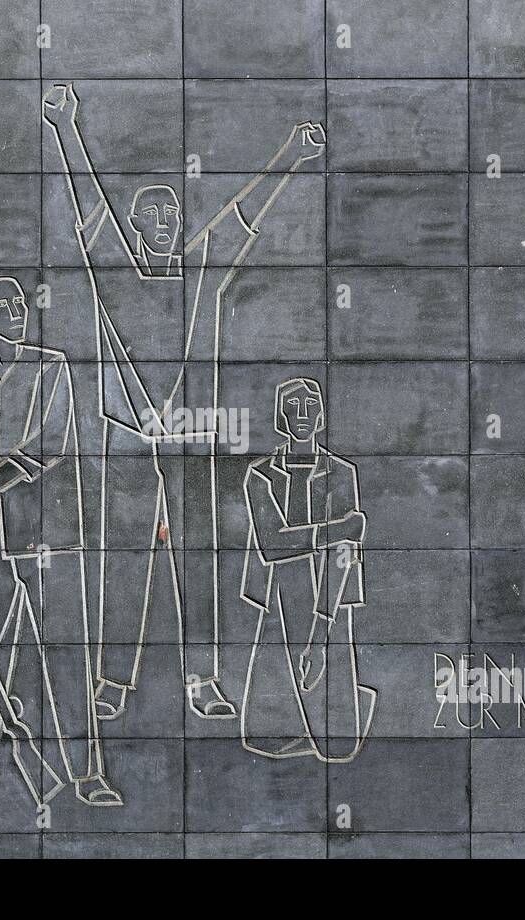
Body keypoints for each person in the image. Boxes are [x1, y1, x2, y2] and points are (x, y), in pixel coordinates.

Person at [42, 81, 326, 720]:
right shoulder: (115, 269)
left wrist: (293, 155)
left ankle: (202, 681)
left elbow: (241, 218)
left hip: (191, 436)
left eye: (173, 215)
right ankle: (113, 681)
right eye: (153, 216)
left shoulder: (201, 274)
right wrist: (65, 127)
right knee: (124, 558)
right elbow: (89, 207)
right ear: (137, 227)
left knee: (197, 557)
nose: (166, 225)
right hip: (129, 437)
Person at [0, 275, 122, 808]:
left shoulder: (51, 365)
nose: (15, 311)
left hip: (49, 536)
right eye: (1, 306)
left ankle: (86, 774)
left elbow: (52, 443)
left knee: (66, 658)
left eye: (19, 303)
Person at [239, 378, 376, 763]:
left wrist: (321, 629)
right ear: (280, 415)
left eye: (310, 405)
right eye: (293, 405)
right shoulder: (261, 474)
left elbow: (344, 554)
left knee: (341, 747)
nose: (302, 414)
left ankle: (348, 698)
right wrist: (341, 528)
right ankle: (308, 718)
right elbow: (272, 543)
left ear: (320, 415)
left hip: (329, 595)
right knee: (263, 737)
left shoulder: (340, 473)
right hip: (279, 593)